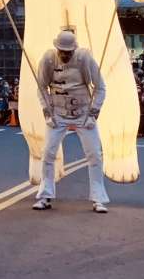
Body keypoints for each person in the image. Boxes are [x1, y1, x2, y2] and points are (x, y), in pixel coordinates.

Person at [33, 30, 109, 213]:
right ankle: (45, 196)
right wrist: (47, 111)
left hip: (83, 113)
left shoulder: (84, 59)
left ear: (74, 49)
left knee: (94, 155)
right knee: (48, 154)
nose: (65, 55)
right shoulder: (48, 59)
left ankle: (98, 198)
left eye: (68, 52)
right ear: (56, 48)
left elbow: (100, 87)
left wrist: (93, 113)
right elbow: (41, 87)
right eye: (62, 51)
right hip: (58, 114)